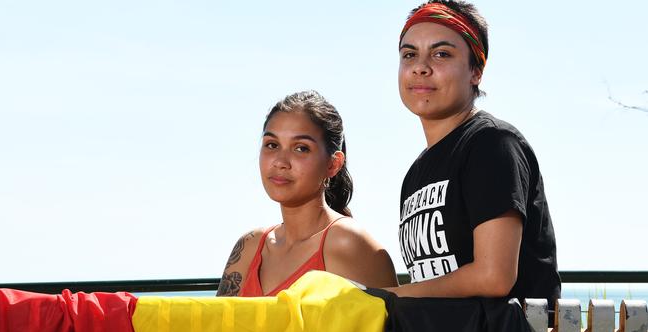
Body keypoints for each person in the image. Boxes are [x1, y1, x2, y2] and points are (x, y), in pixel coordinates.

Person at [385, 0, 561, 306]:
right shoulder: (415, 174)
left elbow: (494, 276)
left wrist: (387, 296)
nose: (420, 67)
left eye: (441, 54)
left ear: (476, 71)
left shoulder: (492, 144)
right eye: (409, 54)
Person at [217, 90, 399, 297]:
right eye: (272, 145)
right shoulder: (249, 246)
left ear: (333, 164)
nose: (280, 161)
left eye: (301, 148)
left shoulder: (347, 243)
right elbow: (217, 327)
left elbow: (387, 327)